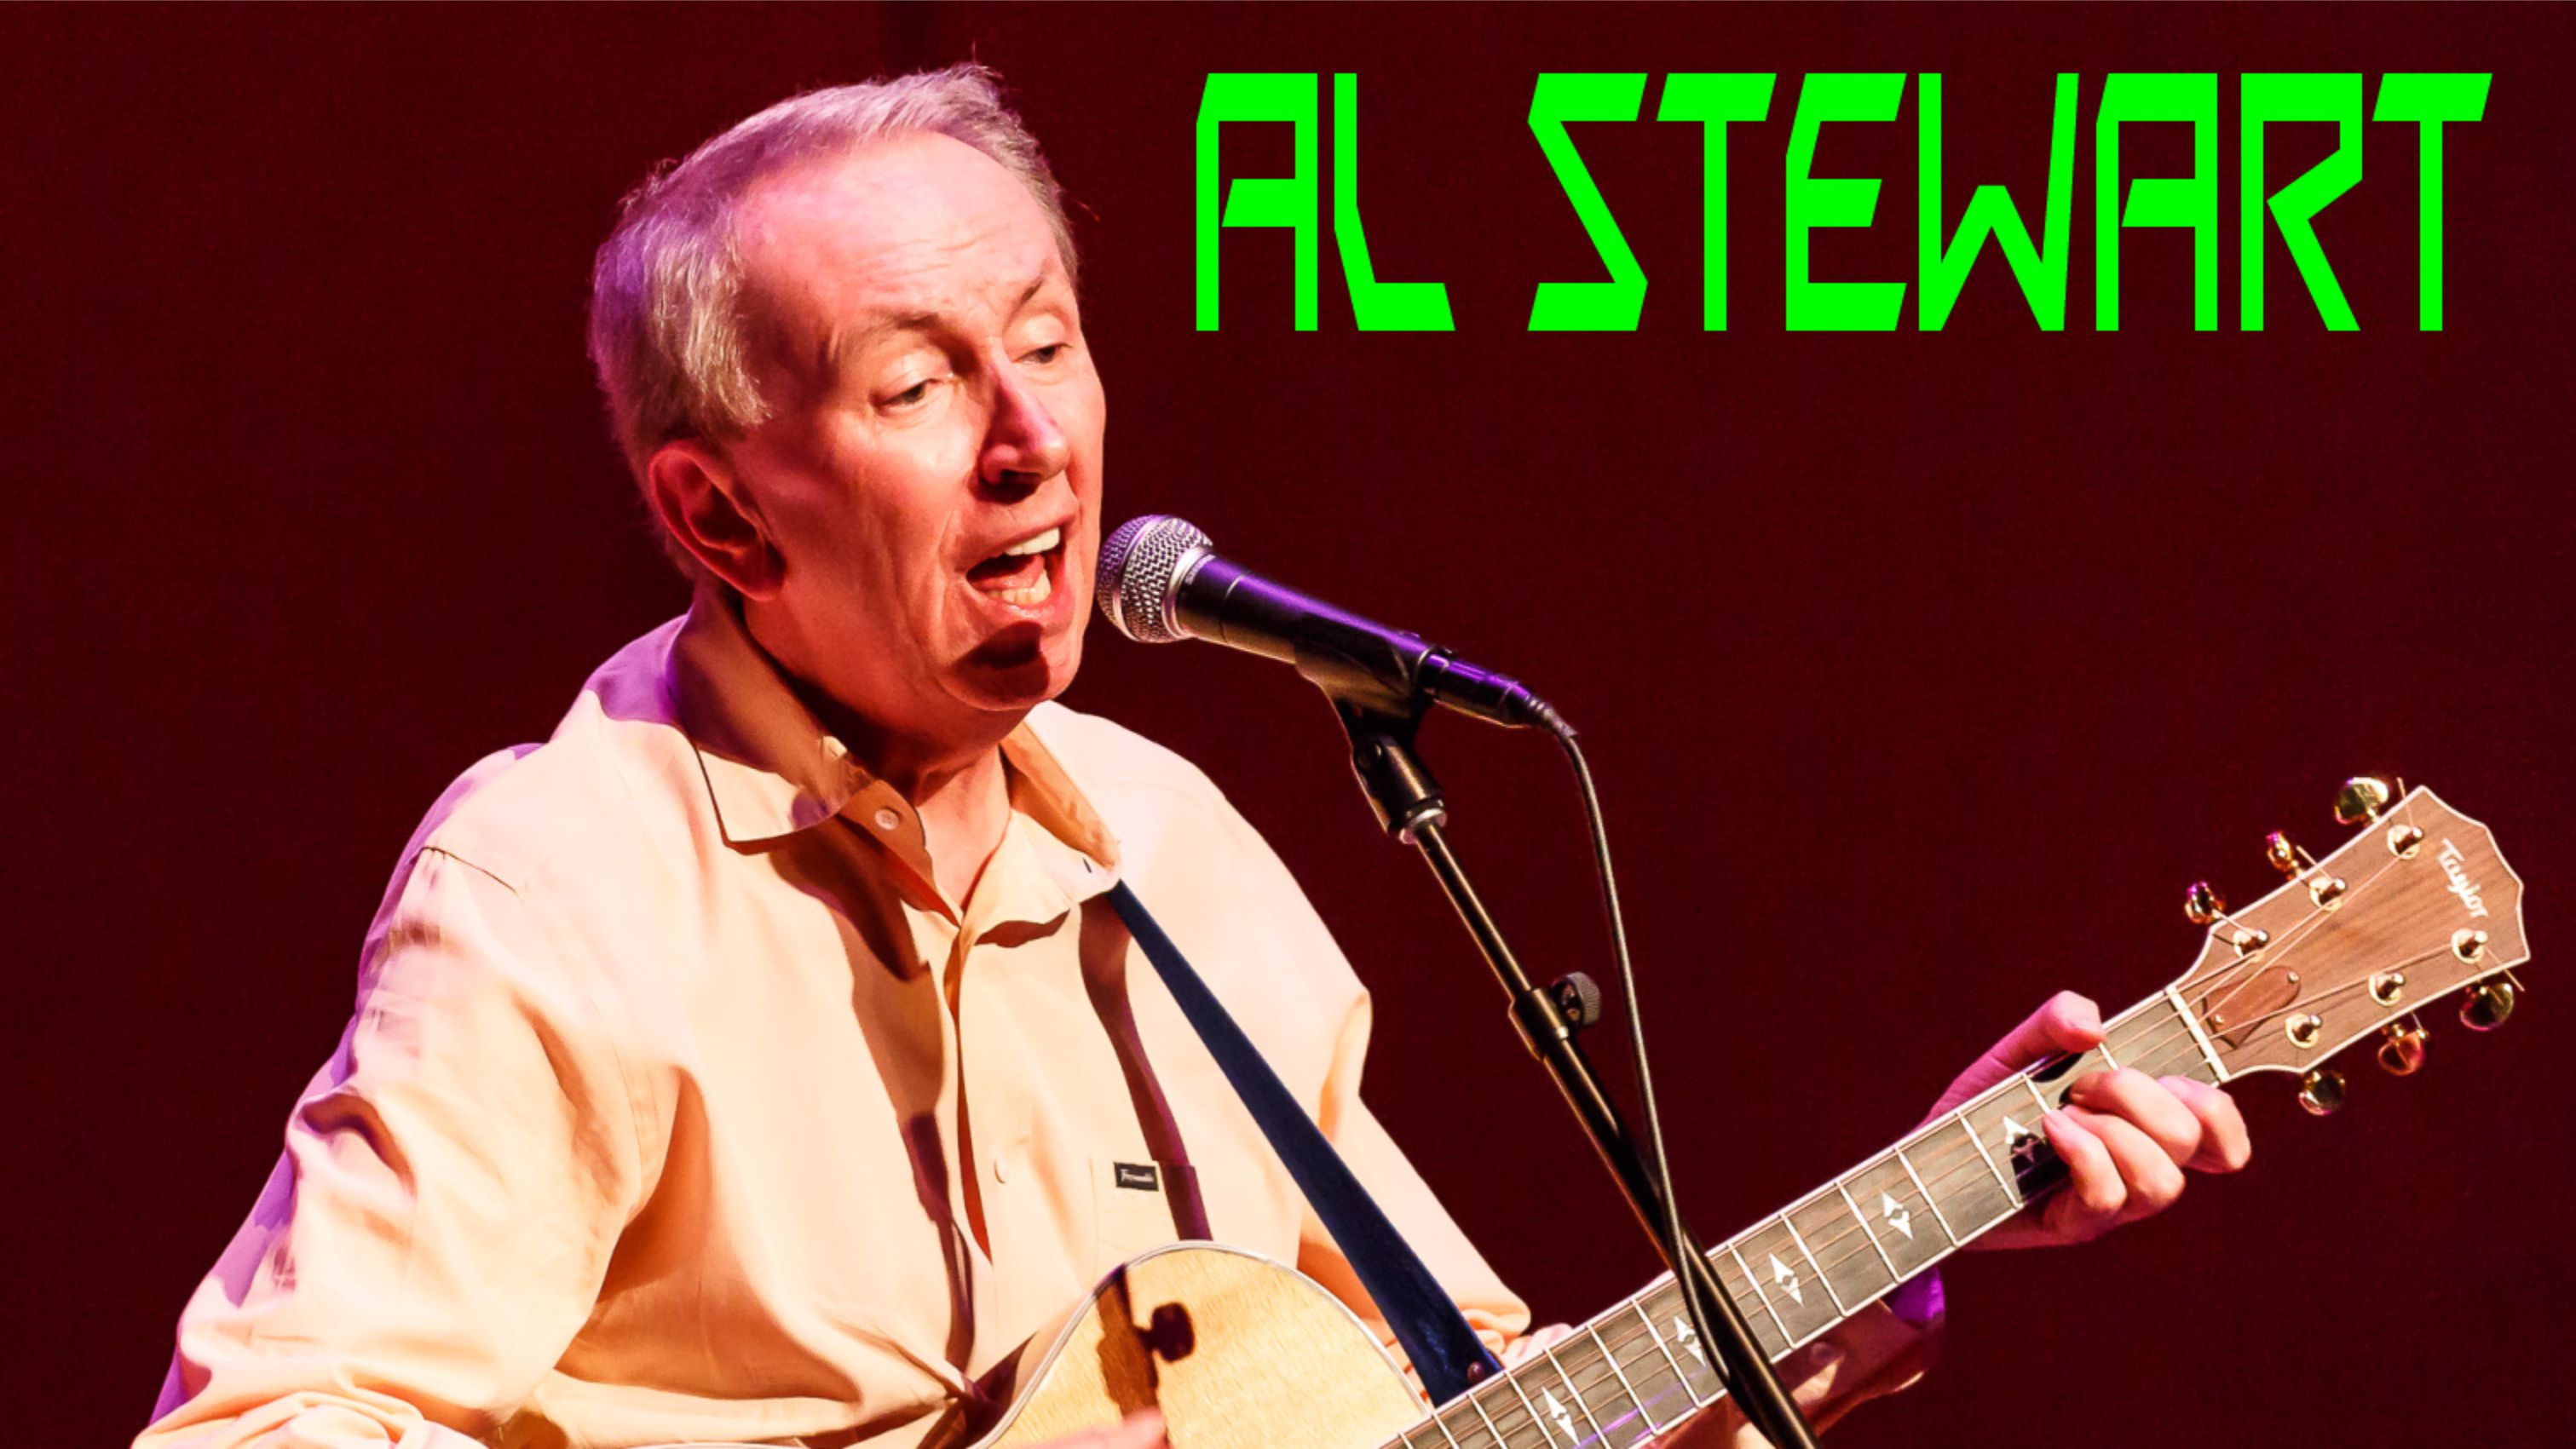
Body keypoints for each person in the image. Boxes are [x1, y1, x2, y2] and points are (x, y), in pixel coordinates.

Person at [136, 66, 2249, 1449]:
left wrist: (1919, 1232)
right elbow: (264, 1420)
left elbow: (1493, 1408)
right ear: (719, 515)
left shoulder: (1174, 850)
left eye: (1048, 342)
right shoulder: (569, 881)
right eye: (917, 383)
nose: (1030, 437)